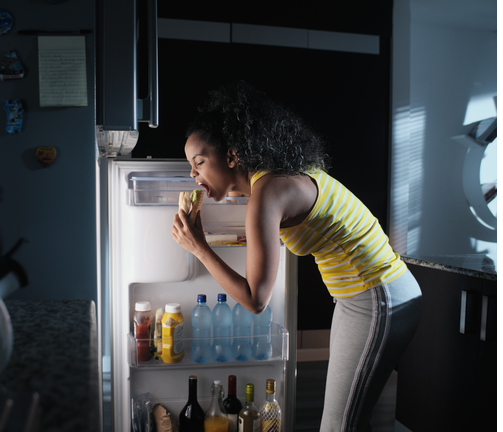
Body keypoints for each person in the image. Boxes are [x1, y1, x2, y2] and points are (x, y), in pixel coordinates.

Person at [171, 81, 423, 432]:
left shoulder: (267, 194)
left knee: (338, 425)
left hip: (378, 295)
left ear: (231, 156)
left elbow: (256, 299)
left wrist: (199, 247)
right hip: (363, 297)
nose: (193, 174)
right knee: (352, 418)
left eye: (199, 162)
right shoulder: (272, 181)